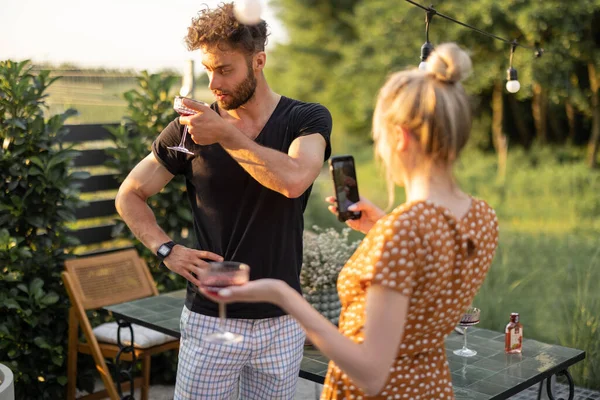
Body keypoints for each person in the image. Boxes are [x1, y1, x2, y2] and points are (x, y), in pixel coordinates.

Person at [201, 42, 499, 399]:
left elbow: (371, 374)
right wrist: (381, 228)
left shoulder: (405, 231)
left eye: (380, 139)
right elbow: (430, 281)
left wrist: (285, 296)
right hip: (431, 386)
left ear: (400, 138)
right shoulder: (482, 216)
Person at [115, 3, 332, 399]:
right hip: (209, 321)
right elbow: (130, 194)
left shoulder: (306, 118)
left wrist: (226, 135)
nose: (213, 82)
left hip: (281, 322)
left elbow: (296, 180)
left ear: (259, 61)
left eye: (225, 69)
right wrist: (166, 249)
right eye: (207, 69)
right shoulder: (187, 131)